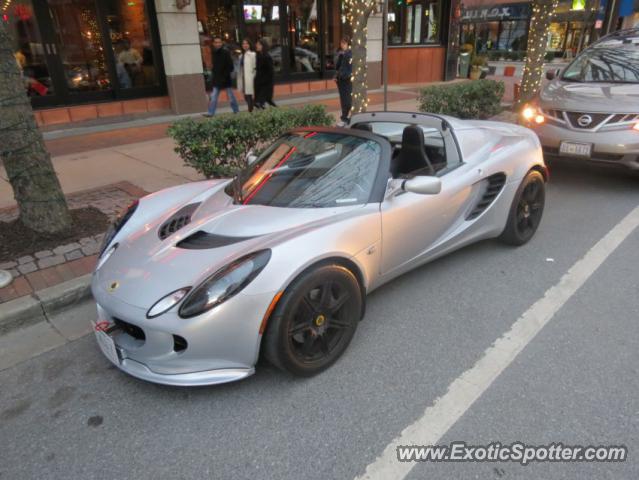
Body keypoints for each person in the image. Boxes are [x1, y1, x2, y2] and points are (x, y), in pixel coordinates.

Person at [205, 36, 239, 116]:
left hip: (226, 79)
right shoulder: (213, 53)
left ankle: (236, 111)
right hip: (217, 80)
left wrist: (224, 76)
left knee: (231, 97)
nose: (218, 44)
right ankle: (210, 113)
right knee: (213, 98)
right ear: (213, 44)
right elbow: (214, 67)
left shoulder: (226, 53)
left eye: (219, 42)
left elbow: (231, 67)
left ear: (222, 43)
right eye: (216, 42)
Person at [335, 36, 352, 126]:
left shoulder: (350, 54)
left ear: (348, 44)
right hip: (341, 80)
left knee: (347, 100)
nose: (342, 45)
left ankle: (346, 118)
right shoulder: (342, 53)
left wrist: (347, 75)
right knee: (343, 100)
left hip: (347, 80)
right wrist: (337, 76)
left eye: (344, 43)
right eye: (341, 43)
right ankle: (344, 118)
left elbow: (350, 68)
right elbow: (338, 67)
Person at [254, 39, 276, 109]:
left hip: (265, 82)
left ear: (263, 46)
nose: (257, 46)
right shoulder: (258, 55)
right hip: (259, 81)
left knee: (260, 102)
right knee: (260, 102)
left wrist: (265, 80)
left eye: (259, 45)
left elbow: (270, 71)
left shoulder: (267, 57)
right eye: (257, 44)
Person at [237, 38, 257, 112]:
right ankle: (254, 106)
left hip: (250, 79)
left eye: (246, 43)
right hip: (243, 79)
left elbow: (255, 68)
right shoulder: (241, 56)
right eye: (243, 44)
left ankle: (250, 111)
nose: (245, 45)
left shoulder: (252, 54)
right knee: (246, 96)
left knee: (249, 96)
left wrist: (253, 77)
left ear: (249, 45)